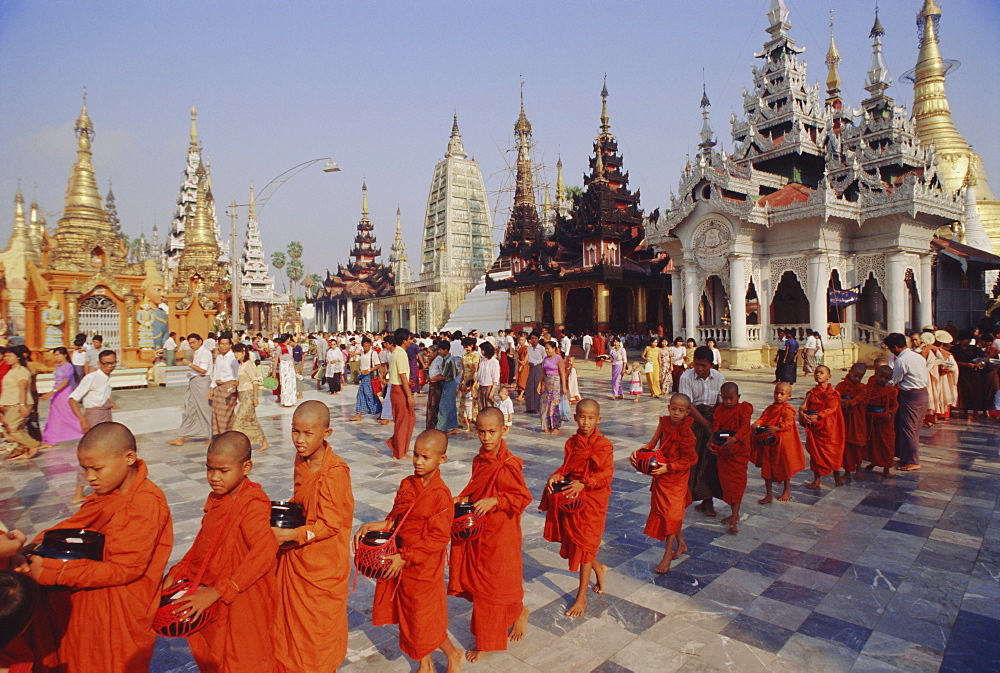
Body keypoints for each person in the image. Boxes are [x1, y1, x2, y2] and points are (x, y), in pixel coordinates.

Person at [14, 423, 172, 673]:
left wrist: (50, 573)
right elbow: (73, 526)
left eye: (97, 468)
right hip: (92, 603)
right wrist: (33, 546)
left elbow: (124, 570)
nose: (90, 478)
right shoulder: (110, 492)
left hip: (119, 613)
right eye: (85, 469)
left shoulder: (144, 503)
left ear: (129, 457)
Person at [164, 431, 278, 672]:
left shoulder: (252, 504)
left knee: (244, 660)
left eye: (223, 471)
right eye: (209, 469)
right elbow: (205, 542)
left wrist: (220, 590)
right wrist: (179, 570)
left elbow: (265, 550)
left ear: (246, 467)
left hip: (241, 598)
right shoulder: (220, 498)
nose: (214, 478)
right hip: (217, 598)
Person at [357, 430, 464, 673]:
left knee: (424, 619)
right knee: (409, 615)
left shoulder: (441, 495)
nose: (418, 461)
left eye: (426, 457)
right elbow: (397, 521)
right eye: (416, 455)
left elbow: (438, 538)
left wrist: (405, 557)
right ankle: (424, 663)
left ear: (441, 460)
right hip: (400, 560)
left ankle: (453, 653)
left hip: (422, 564)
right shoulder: (407, 484)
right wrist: (369, 526)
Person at [272, 401, 355, 672]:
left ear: (326, 433)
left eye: (308, 434)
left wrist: (293, 533)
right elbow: (304, 499)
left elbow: (331, 524)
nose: (299, 440)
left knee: (318, 633)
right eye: (295, 431)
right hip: (300, 557)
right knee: (291, 628)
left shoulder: (335, 472)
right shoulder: (303, 458)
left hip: (323, 564)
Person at [449, 408, 531, 662]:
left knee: (494, 585)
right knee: (483, 583)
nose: (486, 437)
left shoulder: (509, 464)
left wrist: (496, 500)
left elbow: (522, 498)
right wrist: (463, 498)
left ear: (504, 430)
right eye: (481, 432)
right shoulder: (480, 459)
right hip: (480, 530)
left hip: (501, 531)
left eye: (492, 432)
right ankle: (518, 610)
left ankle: (485, 641)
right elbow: (476, 488)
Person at [541, 399, 612, 615]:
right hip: (574, 498)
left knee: (587, 544)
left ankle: (582, 597)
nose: (586, 422)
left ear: (598, 419)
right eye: (582, 417)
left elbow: (606, 474)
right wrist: (558, 474)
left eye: (591, 418)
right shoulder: (571, 443)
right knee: (579, 544)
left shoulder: (604, 445)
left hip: (593, 498)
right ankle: (597, 567)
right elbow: (567, 467)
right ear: (575, 418)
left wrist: (585, 483)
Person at [631, 393, 698, 573]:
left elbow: (691, 459)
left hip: (676, 478)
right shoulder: (664, 423)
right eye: (673, 409)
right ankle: (681, 544)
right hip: (661, 476)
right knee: (668, 514)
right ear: (668, 408)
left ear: (687, 413)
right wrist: (638, 454)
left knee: (672, 516)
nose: (676, 413)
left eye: (681, 410)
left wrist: (669, 467)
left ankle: (667, 556)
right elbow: (652, 444)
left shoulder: (689, 434)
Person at [678, 346, 726, 517]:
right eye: (696, 365)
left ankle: (708, 500)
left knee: (711, 461)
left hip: (714, 419)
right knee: (694, 460)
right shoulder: (686, 377)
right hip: (694, 420)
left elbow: (721, 403)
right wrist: (705, 423)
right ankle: (692, 497)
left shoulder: (719, 378)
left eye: (703, 366)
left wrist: (715, 425)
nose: (699, 369)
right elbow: (688, 404)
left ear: (711, 365)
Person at [710, 382, 752, 534]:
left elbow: (745, 427)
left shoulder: (743, 409)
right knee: (727, 484)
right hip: (724, 453)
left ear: (738, 397)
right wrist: (712, 443)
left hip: (738, 453)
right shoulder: (719, 410)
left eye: (731, 398)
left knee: (737, 483)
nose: (728, 402)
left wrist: (735, 439)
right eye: (725, 398)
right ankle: (733, 513)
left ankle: (734, 517)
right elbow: (716, 429)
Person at [752, 382, 805, 503]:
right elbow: (764, 417)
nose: (778, 396)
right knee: (766, 468)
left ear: (789, 396)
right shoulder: (771, 408)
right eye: (776, 393)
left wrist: (777, 428)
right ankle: (769, 494)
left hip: (782, 443)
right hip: (769, 442)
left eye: (782, 394)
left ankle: (786, 490)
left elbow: (788, 423)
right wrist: (757, 423)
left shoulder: (788, 409)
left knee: (784, 466)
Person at [885, 332, 928, 471]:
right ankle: (905, 456)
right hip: (922, 393)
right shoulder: (917, 357)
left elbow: (895, 379)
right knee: (912, 427)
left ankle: (913, 460)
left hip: (910, 395)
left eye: (891, 348)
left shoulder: (901, 360)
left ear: (896, 347)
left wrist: (882, 384)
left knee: (908, 428)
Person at [799, 365, 846, 489]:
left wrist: (819, 416)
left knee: (833, 452)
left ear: (829, 376)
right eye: (816, 373)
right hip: (815, 428)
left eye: (821, 373)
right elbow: (803, 406)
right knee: (815, 453)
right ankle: (817, 479)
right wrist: (802, 413)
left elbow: (832, 408)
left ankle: (836, 475)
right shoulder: (812, 393)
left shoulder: (833, 394)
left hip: (829, 427)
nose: (818, 375)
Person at [167, 333, 213, 446]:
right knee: (189, 409)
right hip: (195, 383)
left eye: (194, 342)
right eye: (190, 343)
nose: (192, 345)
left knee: (205, 410)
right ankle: (181, 437)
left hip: (202, 383)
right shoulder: (197, 352)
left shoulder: (205, 352)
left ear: (200, 341)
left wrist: (189, 364)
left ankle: (212, 436)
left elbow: (203, 370)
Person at [1, 348, 42, 460]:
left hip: (19, 403)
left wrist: (22, 405)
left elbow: (23, 389)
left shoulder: (22, 371)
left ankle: (33, 445)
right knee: (9, 428)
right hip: (10, 403)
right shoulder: (11, 370)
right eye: (5, 356)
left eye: (10, 356)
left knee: (12, 428)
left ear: (18, 357)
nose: (7, 358)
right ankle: (24, 448)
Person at [41, 347, 83, 445]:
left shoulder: (68, 366)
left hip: (63, 392)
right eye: (55, 355)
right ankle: (52, 436)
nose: (56, 357)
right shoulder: (58, 366)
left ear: (64, 355)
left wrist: (51, 392)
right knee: (55, 415)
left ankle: (81, 431)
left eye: (58, 354)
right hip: (57, 393)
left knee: (68, 413)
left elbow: (65, 382)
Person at [836, 363, 870, 479]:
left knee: (858, 444)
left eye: (860, 377)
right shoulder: (841, 385)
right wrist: (840, 402)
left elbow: (861, 397)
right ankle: (847, 470)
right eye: (855, 375)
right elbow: (835, 397)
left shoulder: (862, 387)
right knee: (846, 445)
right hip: (845, 419)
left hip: (857, 419)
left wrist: (850, 403)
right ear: (850, 372)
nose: (857, 379)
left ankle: (859, 467)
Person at [864, 365, 899, 478]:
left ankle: (887, 467)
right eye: (881, 376)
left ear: (890, 378)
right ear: (875, 374)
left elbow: (895, 405)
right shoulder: (868, 388)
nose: (883, 379)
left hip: (885, 422)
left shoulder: (890, 391)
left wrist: (891, 414)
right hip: (871, 420)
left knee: (887, 444)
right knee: (872, 443)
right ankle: (873, 462)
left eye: (886, 378)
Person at [233, 343, 269, 451]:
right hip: (241, 395)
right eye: (234, 352)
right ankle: (264, 442)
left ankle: (240, 444)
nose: (235, 355)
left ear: (244, 352)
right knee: (251, 420)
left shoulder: (249, 364)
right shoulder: (240, 365)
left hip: (249, 395)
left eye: (237, 352)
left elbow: (254, 381)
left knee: (238, 422)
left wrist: (255, 398)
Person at [387, 328, 416, 460]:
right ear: (404, 341)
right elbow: (402, 376)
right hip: (400, 391)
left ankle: (400, 448)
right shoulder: (401, 354)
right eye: (409, 338)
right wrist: (409, 396)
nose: (411, 341)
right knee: (403, 421)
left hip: (397, 388)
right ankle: (399, 452)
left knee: (406, 419)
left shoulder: (396, 353)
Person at [211, 333, 240, 438]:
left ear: (230, 345)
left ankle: (225, 436)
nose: (224, 346)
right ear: (218, 345)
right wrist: (212, 389)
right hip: (219, 388)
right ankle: (222, 435)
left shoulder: (233, 357)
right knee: (217, 414)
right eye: (222, 344)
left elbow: (238, 374)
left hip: (229, 387)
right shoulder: (219, 358)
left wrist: (234, 387)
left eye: (226, 344)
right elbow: (215, 373)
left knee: (226, 414)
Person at [349, 337, 383, 421]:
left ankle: (381, 412)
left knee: (371, 396)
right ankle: (358, 414)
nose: (366, 348)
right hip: (363, 376)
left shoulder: (373, 353)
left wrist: (368, 370)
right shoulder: (362, 353)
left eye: (368, 346)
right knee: (360, 395)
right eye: (365, 346)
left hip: (370, 376)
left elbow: (378, 365)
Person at [539, 340, 568, 434]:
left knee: (554, 405)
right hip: (547, 383)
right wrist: (540, 384)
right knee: (545, 404)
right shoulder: (545, 359)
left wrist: (564, 386)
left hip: (556, 384)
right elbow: (543, 372)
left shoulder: (558, 359)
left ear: (554, 349)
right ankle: (546, 424)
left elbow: (562, 373)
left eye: (548, 349)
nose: (547, 351)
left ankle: (556, 426)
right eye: (545, 349)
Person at [434, 341, 460, 435]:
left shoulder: (448, 360)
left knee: (444, 407)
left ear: (445, 350)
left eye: (440, 350)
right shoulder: (450, 359)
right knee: (451, 406)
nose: (439, 351)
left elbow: (444, 375)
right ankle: (453, 427)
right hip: (451, 383)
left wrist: (433, 378)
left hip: (448, 384)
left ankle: (439, 429)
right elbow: (457, 371)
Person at [272, 335, 297, 408]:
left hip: (290, 365)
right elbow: (276, 359)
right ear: (287, 339)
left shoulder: (290, 348)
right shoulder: (279, 347)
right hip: (283, 364)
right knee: (285, 383)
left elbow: (292, 358)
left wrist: (295, 368)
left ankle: (292, 400)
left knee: (291, 383)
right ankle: (286, 401)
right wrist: (274, 370)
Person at [524, 333, 545, 413]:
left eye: (535, 338)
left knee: (537, 387)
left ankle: (537, 408)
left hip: (539, 367)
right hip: (531, 367)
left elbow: (544, 359)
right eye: (532, 338)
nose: (533, 340)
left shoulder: (542, 349)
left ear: (538, 338)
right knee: (529, 387)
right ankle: (530, 407)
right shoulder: (528, 348)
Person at [476, 342, 500, 411]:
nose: (482, 352)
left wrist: (492, 391)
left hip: (489, 387)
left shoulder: (494, 362)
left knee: (488, 408)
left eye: (483, 350)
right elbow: (479, 374)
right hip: (481, 386)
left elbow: (495, 377)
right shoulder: (482, 360)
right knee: (481, 407)